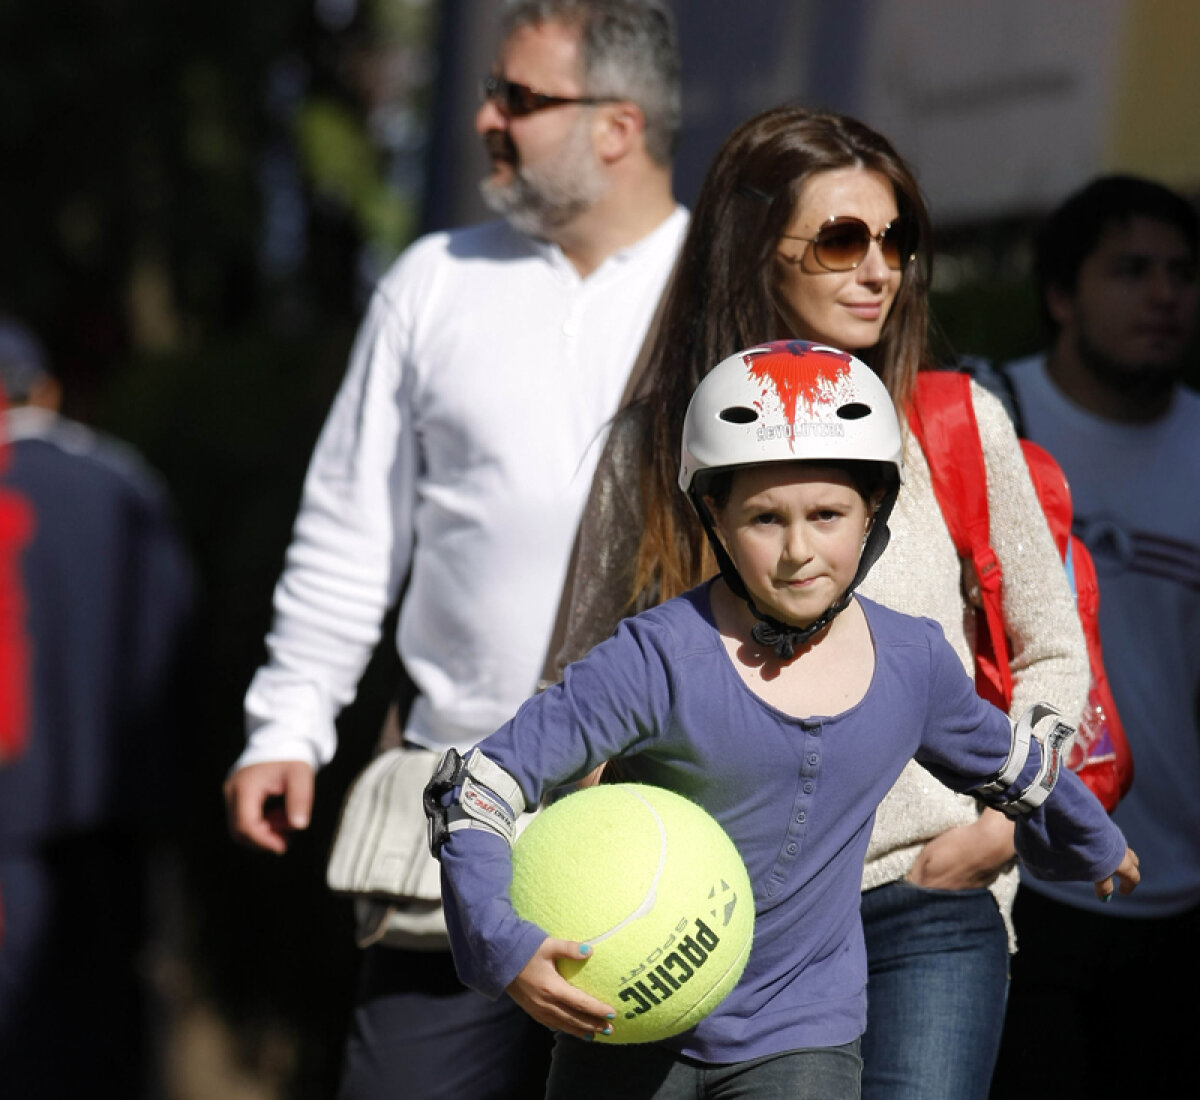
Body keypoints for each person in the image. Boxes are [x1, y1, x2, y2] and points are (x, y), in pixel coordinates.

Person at [429, 340, 1138, 1100]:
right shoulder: (657, 656)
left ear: (874, 512)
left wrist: (1093, 841)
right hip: (624, 1016)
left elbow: (1006, 761)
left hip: (804, 1034)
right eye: (765, 518)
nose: (800, 551)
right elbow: (480, 787)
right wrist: (500, 943)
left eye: (827, 514)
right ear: (714, 516)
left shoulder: (913, 662)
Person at [550, 105, 1091, 1100]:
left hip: (928, 907)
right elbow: (577, 696)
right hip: (708, 924)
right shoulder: (651, 450)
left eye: (897, 239)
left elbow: (1053, 649)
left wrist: (1009, 821)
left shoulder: (955, 421)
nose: (879, 268)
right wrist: (583, 887)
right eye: (844, 239)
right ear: (757, 251)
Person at [223, 1, 686, 1096]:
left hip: (666, 834)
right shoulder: (432, 279)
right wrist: (288, 720)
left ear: (618, 126)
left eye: (518, 99)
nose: (486, 117)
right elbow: (350, 526)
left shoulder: (726, 286)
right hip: (453, 825)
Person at [987, 175, 1200, 1099]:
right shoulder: (985, 421)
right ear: (1062, 295)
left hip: (1176, 891)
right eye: (1131, 270)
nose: (1164, 294)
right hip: (1011, 874)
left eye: (1183, 273)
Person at [0, 315, 195, 1098]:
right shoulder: (122, 482)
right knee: (102, 1019)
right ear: (45, 390)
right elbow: (172, 648)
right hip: (108, 811)